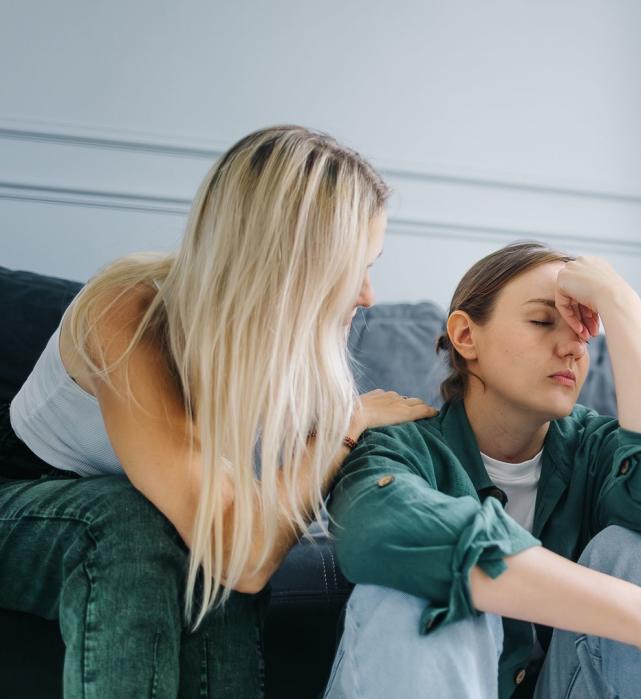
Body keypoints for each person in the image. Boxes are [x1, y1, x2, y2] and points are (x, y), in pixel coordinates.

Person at [0, 125, 433, 697]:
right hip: (22, 500)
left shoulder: (284, 346)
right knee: (139, 521)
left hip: (146, 518)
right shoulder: (127, 310)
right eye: (356, 266)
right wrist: (344, 429)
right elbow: (244, 555)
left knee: (203, 538)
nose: (368, 295)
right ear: (288, 261)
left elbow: (238, 543)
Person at [323, 242, 641, 698]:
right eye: (542, 321)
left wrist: (619, 300)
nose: (572, 347)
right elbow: (378, 534)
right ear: (466, 337)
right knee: (421, 589)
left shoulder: (598, 450)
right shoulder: (399, 445)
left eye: (584, 332)